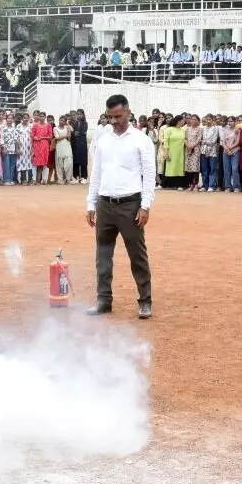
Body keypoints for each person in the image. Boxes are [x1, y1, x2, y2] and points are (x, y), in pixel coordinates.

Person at [84, 94, 156, 319]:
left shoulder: (140, 139)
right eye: (109, 117)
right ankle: (103, 300)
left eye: (117, 116)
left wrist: (145, 206)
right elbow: (96, 174)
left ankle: (145, 301)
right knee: (102, 256)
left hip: (130, 205)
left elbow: (150, 175)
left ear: (128, 112)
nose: (113, 121)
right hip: (105, 204)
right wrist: (91, 203)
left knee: (137, 255)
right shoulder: (103, 140)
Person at [162, 114, 186, 189]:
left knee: (179, 167)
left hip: (181, 152)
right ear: (179, 121)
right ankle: (167, 184)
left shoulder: (183, 130)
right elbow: (166, 141)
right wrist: (166, 152)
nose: (184, 121)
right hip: (171, 151)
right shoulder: (169, 129)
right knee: (170, 167)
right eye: (183, 120)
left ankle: (179, 185)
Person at [31, 110, 53, 184]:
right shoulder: (35, 125)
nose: (41, 117)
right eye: (40, 116)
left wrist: (42, 137)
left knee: (45, 163)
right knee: (35, 162)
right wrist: (35, 138)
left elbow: (50, 136)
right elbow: (32, 135)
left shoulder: (48, 126)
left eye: (43, 116)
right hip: (37, 145)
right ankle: (34, 179)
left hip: (45, 146)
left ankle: (44, 179)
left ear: (45, 117)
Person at [55, 116, 75, 185]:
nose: (62, 122)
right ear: (59, 120)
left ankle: (68, 179)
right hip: (60, 146)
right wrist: (65, 136)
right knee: (59, 163)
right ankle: (60, 179)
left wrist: (68, 124)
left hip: (67, 146)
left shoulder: (67, 127)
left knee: (69, 163)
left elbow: (72, 130)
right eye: (61, 120)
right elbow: (57, 137)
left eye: (64, 121)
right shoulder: (55, 128)